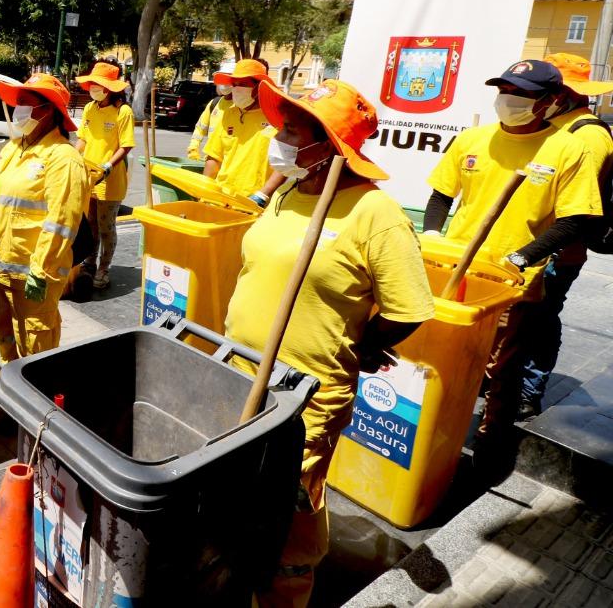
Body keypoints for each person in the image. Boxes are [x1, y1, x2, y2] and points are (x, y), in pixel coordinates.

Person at [225, 79, 435, 608]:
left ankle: (285, 594)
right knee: (241, 493)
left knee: (290, 506)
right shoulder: (288, 192)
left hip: (305, 395)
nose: (281, 134)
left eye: (295, 128)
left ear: (328, 145)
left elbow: (410, 307)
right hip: (237, 370)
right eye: (284, 123)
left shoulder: (375, 214)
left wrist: (364, 347)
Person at [423, 60, 603, 468]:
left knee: (501, 368)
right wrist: (434, 236)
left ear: (550, 101)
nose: (508, 100)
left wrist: (523, 257)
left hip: (512, 281)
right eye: (504, 90)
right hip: (454, 272)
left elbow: (576, 217)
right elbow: (440, 195)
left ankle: (489, 444)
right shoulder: (472, 139)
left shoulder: (568, 147)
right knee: (443, 359)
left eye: (520, 94)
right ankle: (433, 429)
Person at [0, 73, 89, 362]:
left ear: (48, 111)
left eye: (27, 104)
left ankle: (36, 395)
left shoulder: (63, 158)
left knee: (34, 342)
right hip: (0, 265)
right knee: (3, 332)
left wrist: (41, 271)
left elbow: (62, 223)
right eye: (19, 104)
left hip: (34, 274)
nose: (19, 111)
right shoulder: (15, 147)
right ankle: (7, 380)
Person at [517, 54, 613, 418]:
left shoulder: (586, 136)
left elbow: (577, 208)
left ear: (564, 95)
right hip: (539, 246)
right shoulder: (560, 129)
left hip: (558, 251)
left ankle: (529, 389)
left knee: (540, 319)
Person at [75, 61, 135, 290]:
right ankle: (89, 261)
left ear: (110, 88)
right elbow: (83, 139)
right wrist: (72, 153)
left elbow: (126, 145)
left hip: (111, 180)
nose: (93, 89)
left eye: (98, 85)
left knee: (106, 226)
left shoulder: (123, 111)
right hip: (89, 177)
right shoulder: (90, 108)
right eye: (92, 84)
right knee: (90, 225)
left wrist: (108, 166)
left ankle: (104, 268)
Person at [204, 58, 279, 200]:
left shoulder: (276, 118)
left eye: (243, 84)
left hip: (255, 200)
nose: (236, 89)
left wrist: (264, 194)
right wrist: (204, 188)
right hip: (221, 195)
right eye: (234, 84)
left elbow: (285, 163)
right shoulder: (228, 114)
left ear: (259, 87)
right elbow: (214, 157)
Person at [187, 60, 235, 161]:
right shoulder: (214, 104)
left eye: (227, 79)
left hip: (230, 162)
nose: (224, 83)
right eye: (221, 79)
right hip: (211, 160)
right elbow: (200, 128)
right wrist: (193, 148)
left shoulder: (242, 106)